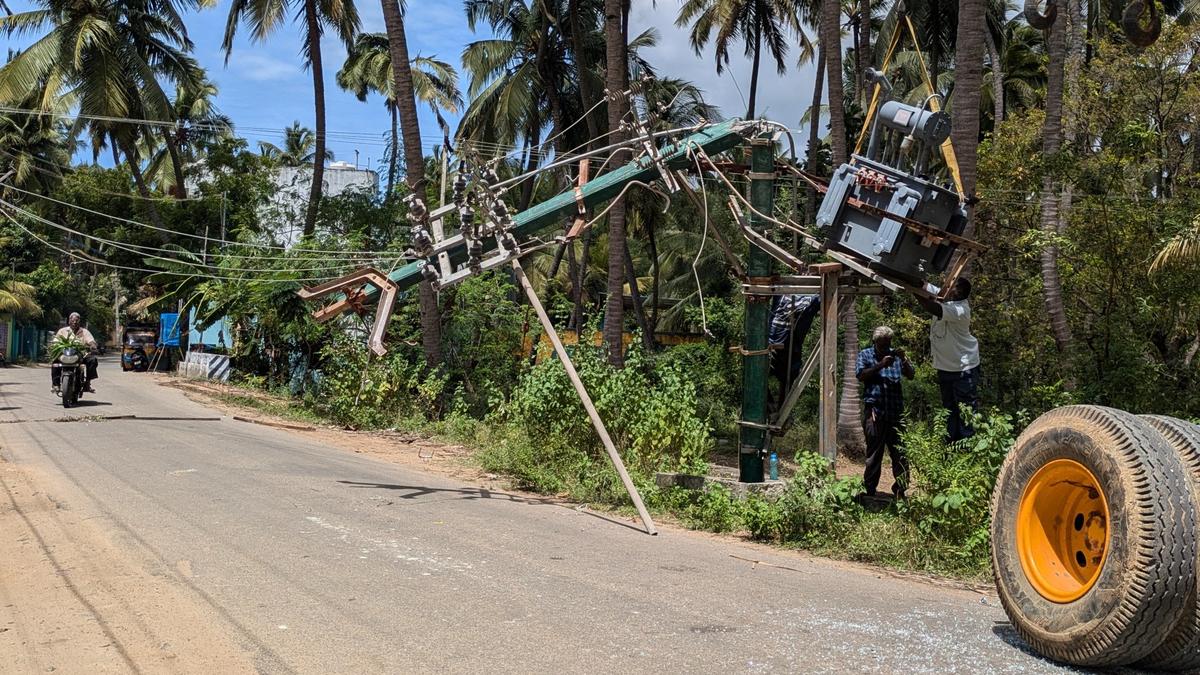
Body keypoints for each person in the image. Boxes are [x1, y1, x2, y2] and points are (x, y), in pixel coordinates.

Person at [917, 277, 981, 442]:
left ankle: (967, 450)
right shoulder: (945, 295)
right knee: (949, 410)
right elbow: (924, 286)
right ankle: (951, 449)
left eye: (950, 285)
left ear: (957, 291)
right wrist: (912, 280)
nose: (945, 287)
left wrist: (914, 293)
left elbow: (932, 307)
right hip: (945, 367)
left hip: (963, 369)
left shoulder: (960, 310)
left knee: (966, 412)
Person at [856, 325, 914, 500]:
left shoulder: (896, 356)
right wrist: (880, 365)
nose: (885, 348)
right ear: (875, 342)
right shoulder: (865, 354)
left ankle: (900, 490)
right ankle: (870, 490)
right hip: (875, 412)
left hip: (896, 412)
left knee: (900, 453)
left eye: (888, 344)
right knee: (874, 453)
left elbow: (911, 374)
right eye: (882, 345)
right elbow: (860, 375)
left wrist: (903, 359)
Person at [768, 294, 821, 404]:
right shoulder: (780, 294)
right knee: (759, 378)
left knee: (788, 377)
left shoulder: (813, 298)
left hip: (789, 347)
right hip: (772, 344)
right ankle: (771, 408)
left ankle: (780, 411)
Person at [52, 312, 99, 393]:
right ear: (69, 321)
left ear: (79, 322)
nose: (74, 323)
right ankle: (56, 385)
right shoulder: (62, 331)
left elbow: (91, 341)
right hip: (65, 355)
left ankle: (87, 383)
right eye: (72, 320)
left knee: (92, 360)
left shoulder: (84, 332)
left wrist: (93, 345)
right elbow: (56, 340)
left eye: (76, 321)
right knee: (55, 363)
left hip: (80, 355)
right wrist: (54, 345)